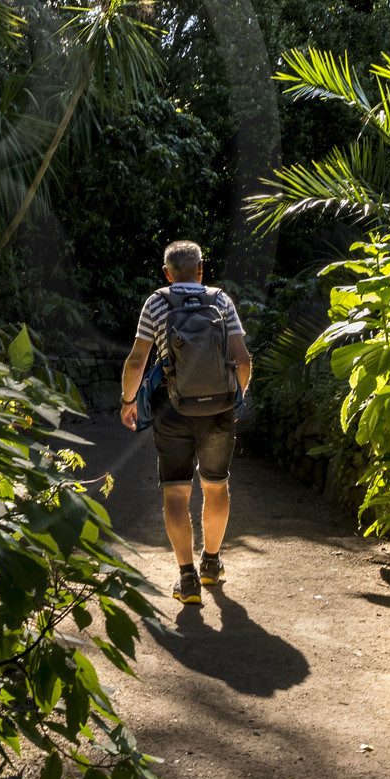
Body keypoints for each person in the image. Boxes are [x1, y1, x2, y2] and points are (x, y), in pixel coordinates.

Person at [119, 240, 251, 607]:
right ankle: (211, 563)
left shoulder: (156, 303)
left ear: (166, 273)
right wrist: (235, 398)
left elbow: (136, 363)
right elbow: (242, 361)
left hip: (171, 410)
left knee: (176, 493)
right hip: (218, 411)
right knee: (215, 486)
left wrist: (129, 402)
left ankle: (187, 579)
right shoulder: (222, 301)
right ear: (200, 269)